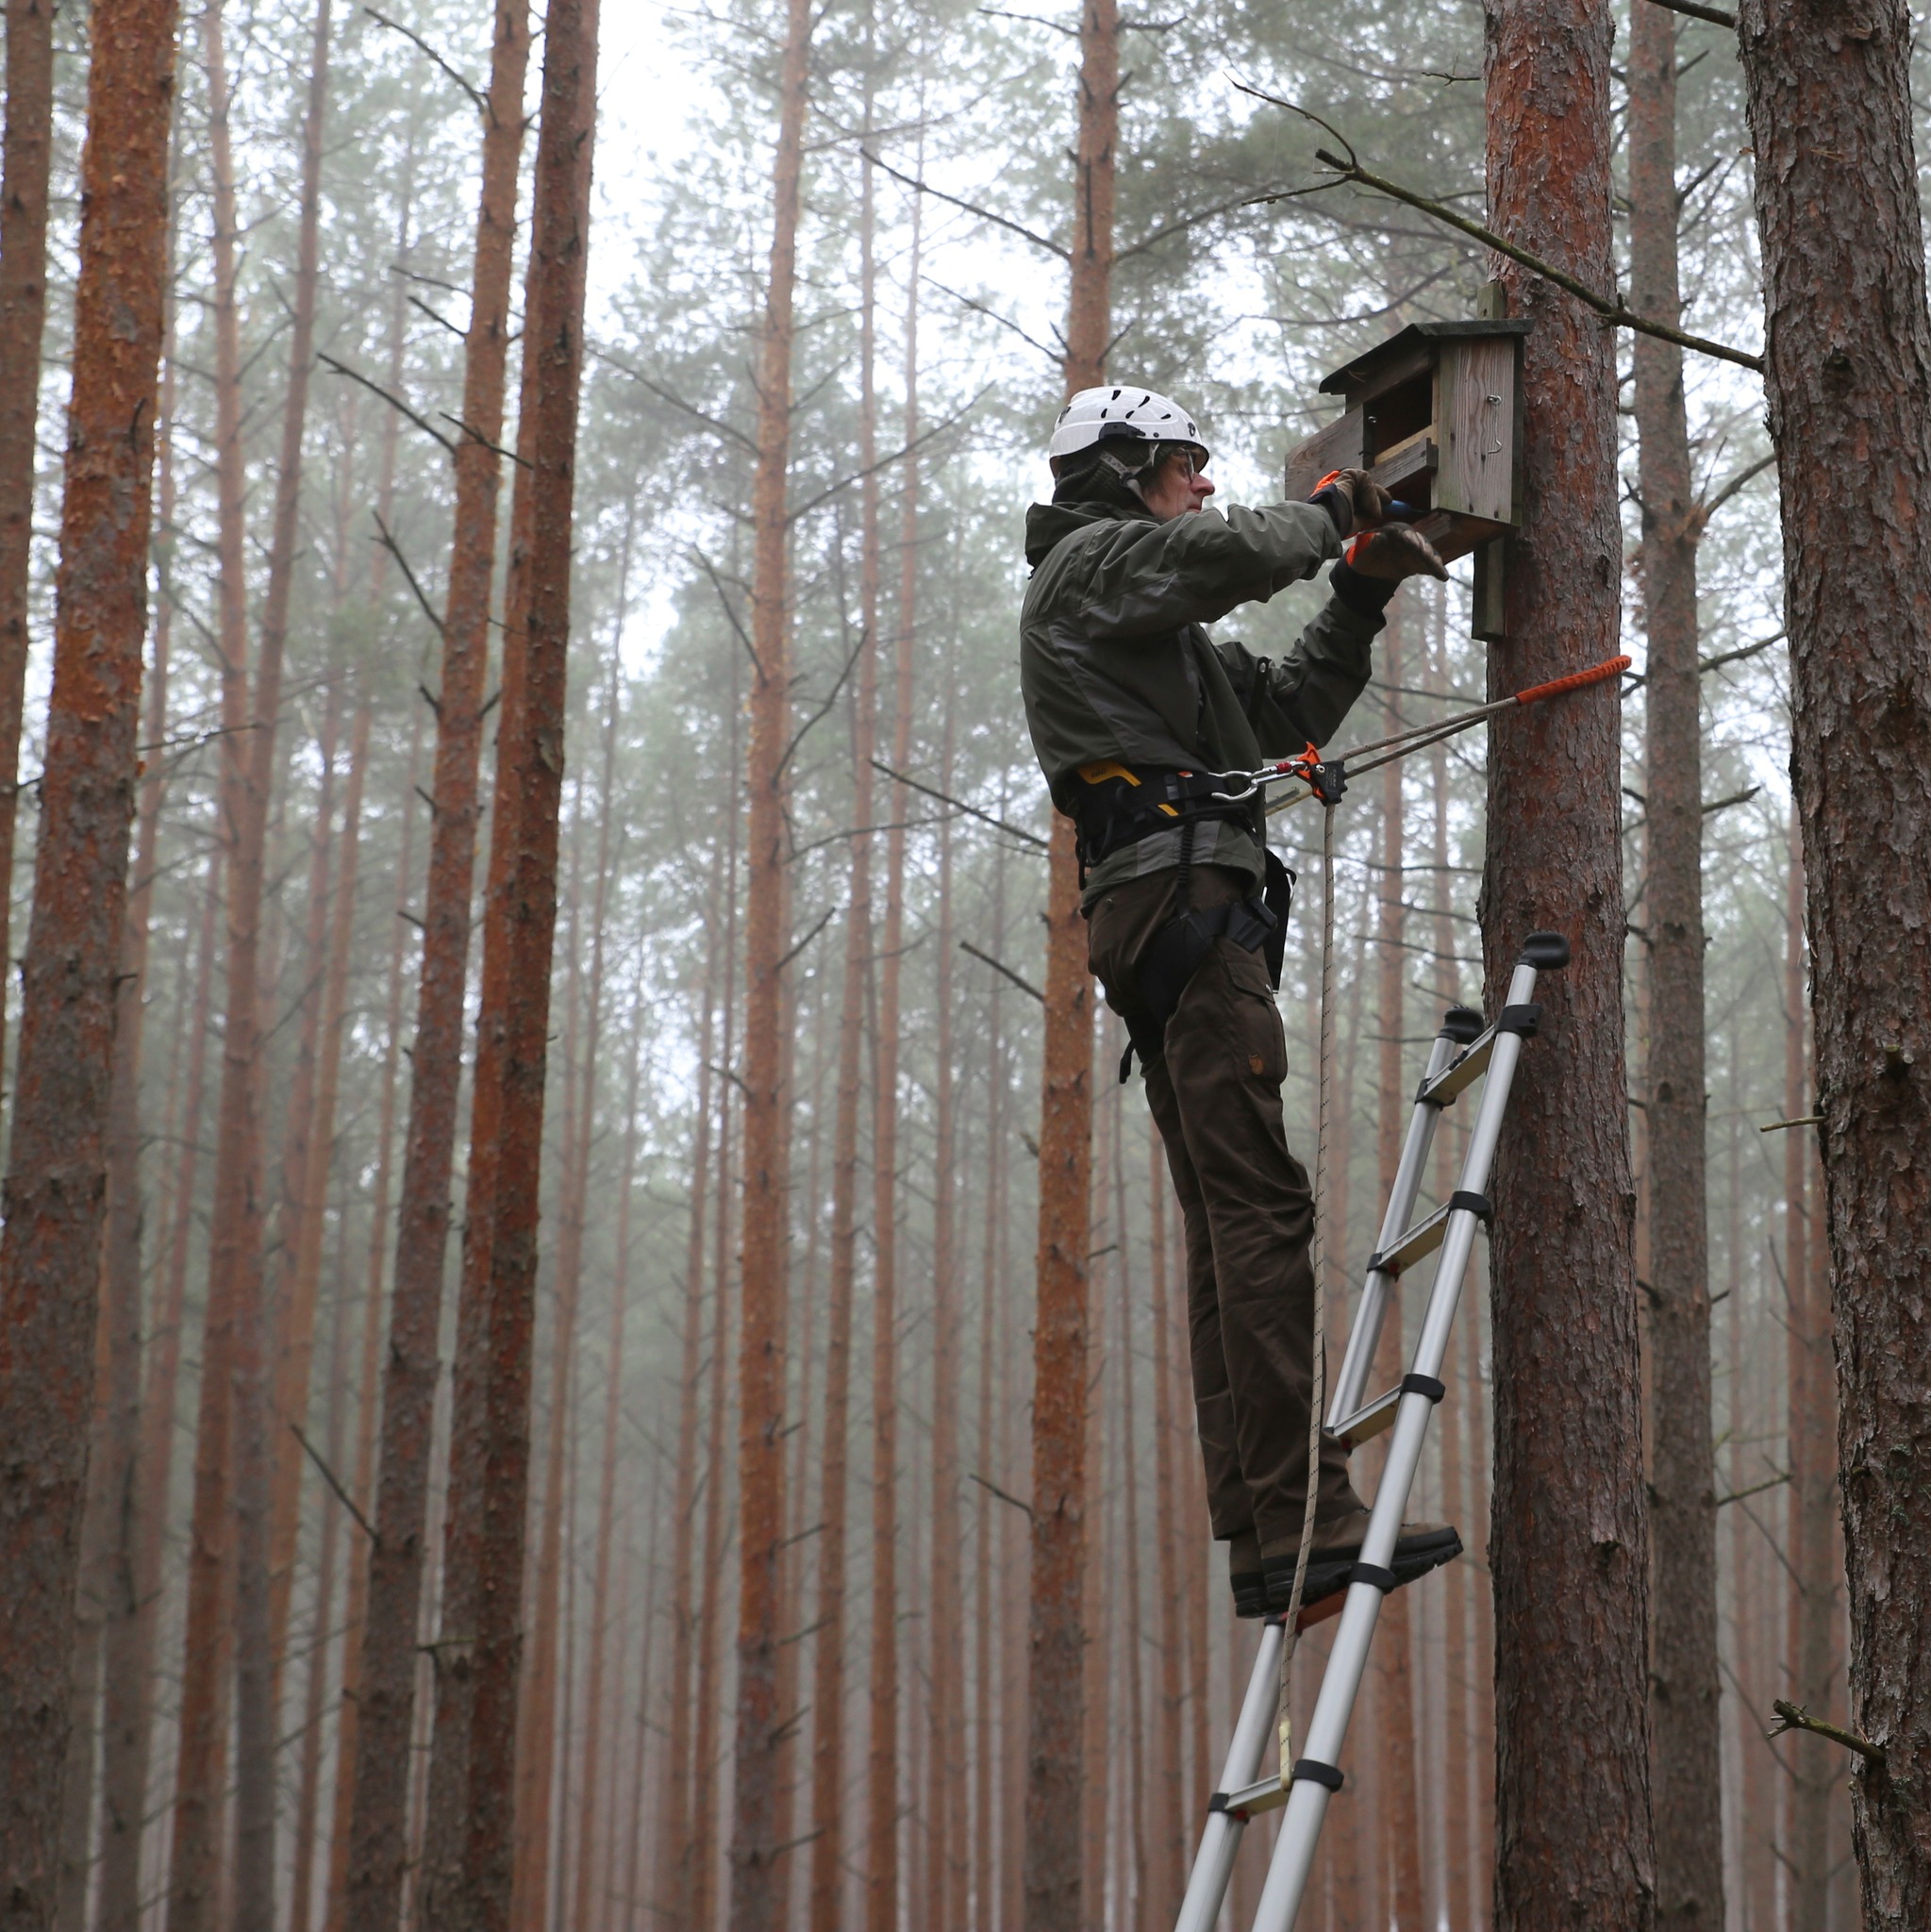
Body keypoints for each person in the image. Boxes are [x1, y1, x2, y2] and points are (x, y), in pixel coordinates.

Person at [1019, 384, 1461, 1618]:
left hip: (1170, 913)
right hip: (1184, 914)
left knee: (1232, 1221)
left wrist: (1358, 590)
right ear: (1122, 471)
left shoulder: (1149, 634)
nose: (1204, 484)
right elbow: (1216, 556)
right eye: (1185, 464)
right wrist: (1332, 515)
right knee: (1260, 1211)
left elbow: (1287, 704)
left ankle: (1272, 1535)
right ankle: (1308, 1521)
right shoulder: (1088, 572)